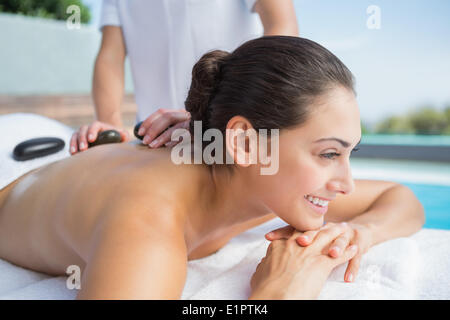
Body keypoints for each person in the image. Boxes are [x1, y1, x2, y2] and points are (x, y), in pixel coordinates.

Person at [0, 36, 424, 299]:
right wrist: (275, 295)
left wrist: (359, 234)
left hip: (94, 164)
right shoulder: (147, 229)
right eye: (329, 154)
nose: (347, 184)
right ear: (242, 141)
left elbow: (400, 199)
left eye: (349, 153)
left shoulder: (255, 177)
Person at [69, 0, 299, 154]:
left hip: (232, 133)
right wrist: (112, 127)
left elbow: (282, 26)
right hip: (155, 140)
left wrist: (221, 114)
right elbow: (110, 56)